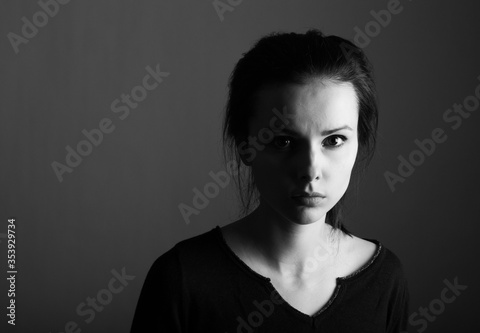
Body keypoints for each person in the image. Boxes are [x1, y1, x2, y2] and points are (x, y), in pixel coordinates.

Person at [130, 29, 409, 332]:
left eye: (335, 140)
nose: (310, 169)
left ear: (359, 142)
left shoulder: (385, 279)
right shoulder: (182, 279)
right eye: (284, 142)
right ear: (244, 146)